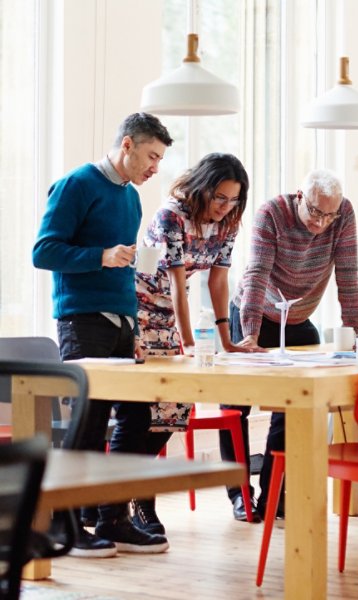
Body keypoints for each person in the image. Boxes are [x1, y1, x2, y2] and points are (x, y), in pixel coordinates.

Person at [32, 112, 174, 557]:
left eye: (161, 159)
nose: (155, 167)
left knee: (134, 419)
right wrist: (102, 254)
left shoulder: (131, 198)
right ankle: (68, 526)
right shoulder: (76, 184)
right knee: (89, 424)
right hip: (82, 321)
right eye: (152, 156)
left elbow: (123, 265)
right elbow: (44, 251)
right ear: (127, 145)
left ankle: (114, 518)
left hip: (122, 323)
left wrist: (134, 326)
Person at [219, 168, 358, 521]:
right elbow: (255, 274)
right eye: (315, 212)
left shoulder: (342, 213)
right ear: (300, 197)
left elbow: (348, 276)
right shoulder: (272, 214)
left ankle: (275, 494)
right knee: (235, 407)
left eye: (328, 215)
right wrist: (249, 334)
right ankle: (240, 495)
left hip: (298, 319)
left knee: (292, 406)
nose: (320, 222)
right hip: (256, 312)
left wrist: (357, 334)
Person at [129, 152, 254, 535]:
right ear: (202, 188)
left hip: (174, 313)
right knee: (146, 413)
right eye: (220, 197)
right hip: (142, 311)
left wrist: (227, 340)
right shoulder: (172, 216)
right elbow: (176, 284)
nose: (225, 206)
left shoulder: (228, 222)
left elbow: (217, 281)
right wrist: (186, 341)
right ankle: (138, 502)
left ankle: (129, 489)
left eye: (233, 199)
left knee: (174, 410)